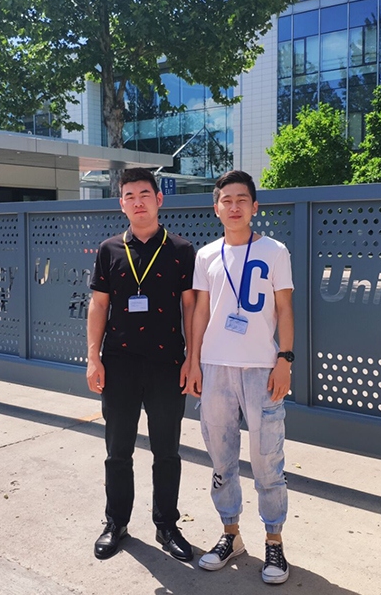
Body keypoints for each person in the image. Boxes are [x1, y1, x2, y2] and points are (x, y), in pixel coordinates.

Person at [185, 170, 294, 584]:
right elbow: (201, 311)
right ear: (216, 207)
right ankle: (230, 534)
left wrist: (284, 359)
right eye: (226, 200)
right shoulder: (206, 255)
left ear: (254, 206)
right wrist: (194, 360)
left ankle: (274, 541)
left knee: (267, 460)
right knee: (221, 459)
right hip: (215, 368)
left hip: (261, 369)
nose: (234, 207)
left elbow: (284, 309)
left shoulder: (274, 251)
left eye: (241, 200)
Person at [87, 168, 195, 562]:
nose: (138, 202)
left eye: (144, 194)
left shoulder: (182, 250)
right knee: (118, 451)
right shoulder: (109, 250)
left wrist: (193, 359)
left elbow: (190, 308)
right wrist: (93, 358)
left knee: (167, 452)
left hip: (168, 363)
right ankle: (116, 522)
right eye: (130, 196)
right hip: (120, 365)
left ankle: (167, 525)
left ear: (159, 199)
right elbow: (99, 305)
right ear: (122, 204)